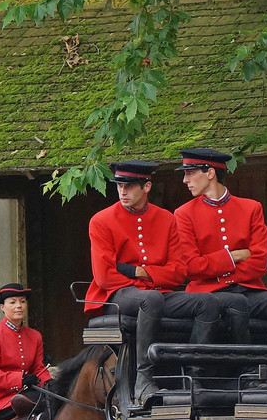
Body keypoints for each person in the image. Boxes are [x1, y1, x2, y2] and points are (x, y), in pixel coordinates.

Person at [83, 159, 224, 405]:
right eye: (119, 186)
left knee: (208, 303)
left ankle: (195, 377)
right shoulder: (101, 220)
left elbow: (179, 272)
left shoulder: (167, 219)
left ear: (146, 187)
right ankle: (144, 379)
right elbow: (105, 276)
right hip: (118, 295)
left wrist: (138, 271)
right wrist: (153, 274)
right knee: (151, 299)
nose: (122, 192)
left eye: (129, 186)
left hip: (157, 294)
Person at [172, 147, 267, 343]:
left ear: (210, 173)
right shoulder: (184, 213)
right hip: (206, 295)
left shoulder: (251, 208)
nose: (185, 181)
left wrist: (216, 271)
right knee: (236, 302)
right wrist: (235, 256)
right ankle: (243, 365)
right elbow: (192, 267)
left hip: (248, 291)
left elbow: (259, 263)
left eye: (190, 173)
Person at [0, 282, 52, 420]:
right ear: (2, 307)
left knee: (57, 396)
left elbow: (38, 369)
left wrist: (49, 383)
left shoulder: (35, 336)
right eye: (12, 302)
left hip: (23, 396)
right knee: (45, 400)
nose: (19, 306)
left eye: (22, 301)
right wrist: (20, 379)